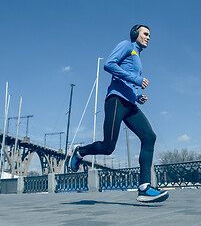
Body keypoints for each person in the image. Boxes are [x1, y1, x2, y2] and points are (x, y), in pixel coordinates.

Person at [69, 25, 169, 203]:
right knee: (108, 147)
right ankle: (80, 152)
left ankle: (144, 187)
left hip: (129, 104)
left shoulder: (137, 55)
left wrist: (137, 97)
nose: (148, 37)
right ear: (134, 34)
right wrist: (136, 79)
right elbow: (109, 64)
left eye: (150, 35)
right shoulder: (127, 46)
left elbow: (126, 82)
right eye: (145, 34)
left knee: (149, 137)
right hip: (116, 101)